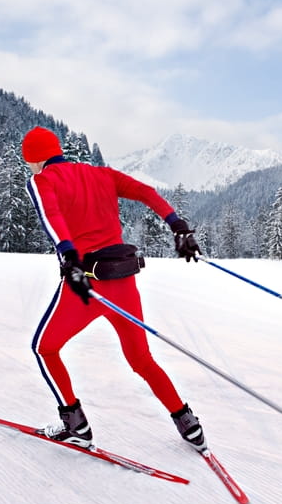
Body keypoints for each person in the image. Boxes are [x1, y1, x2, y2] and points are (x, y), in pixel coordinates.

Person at [20, 126, 206, 452]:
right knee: (141, 359)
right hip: (124, 284)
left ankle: (75, 423)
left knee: (44, 348)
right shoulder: (101, 174)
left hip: (86, 287)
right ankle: (187, 423)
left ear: (35, 160)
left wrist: (68, 255)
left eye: (30, 163)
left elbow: (51, 215)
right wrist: (177, 225)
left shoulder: (42, 180)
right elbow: (146, 192)